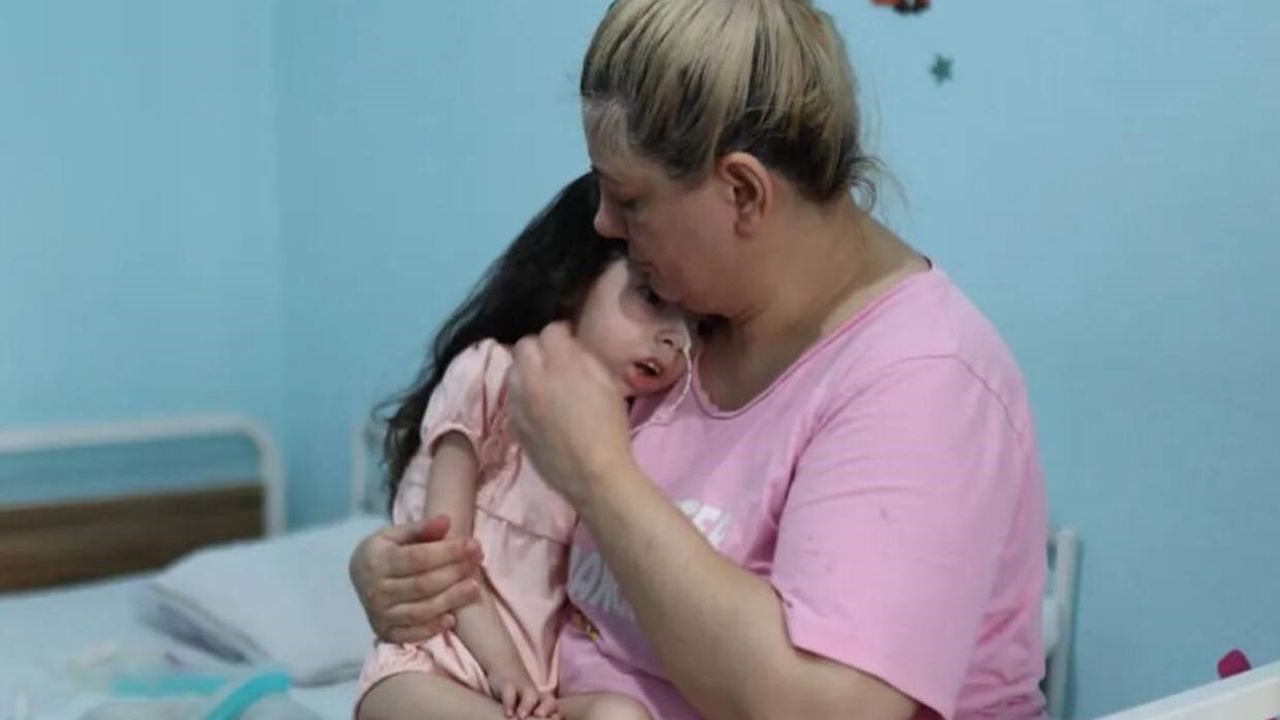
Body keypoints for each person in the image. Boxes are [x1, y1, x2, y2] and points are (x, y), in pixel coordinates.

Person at [352, 1, 1048, 718]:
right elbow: (508, 523)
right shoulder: (683, 322)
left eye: (629, 199)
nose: (603, 224)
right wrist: (404, 580)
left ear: (742, 193)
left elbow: (831, 710)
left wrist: (601, 475)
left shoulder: (924, 379)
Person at [356, 173, 688, 720]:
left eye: (697, 326)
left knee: (621, 714)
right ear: (576, 280)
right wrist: (505, 671)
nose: (676, 337)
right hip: (432, 664)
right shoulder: (489, 373)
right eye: (652, 298)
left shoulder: (634, 433)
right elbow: (445, 554)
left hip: (534, 691)